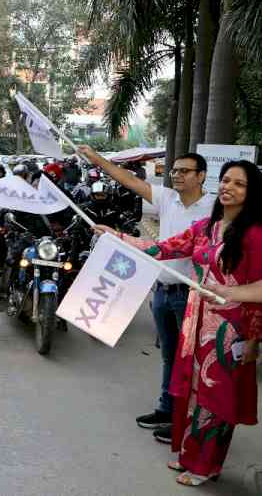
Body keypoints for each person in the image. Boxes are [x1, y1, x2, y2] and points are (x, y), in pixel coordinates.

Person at [94, 159, 262, 487]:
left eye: (240, 184)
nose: (229, 187)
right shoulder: (205, 228)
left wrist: (230, 293)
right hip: (194, 322)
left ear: (252, 192)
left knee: (217, 399)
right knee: (193, 395)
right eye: (226, 180)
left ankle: (206, 466)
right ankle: (192, 457)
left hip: (230, 332)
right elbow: (162, 248)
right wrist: (116, 236)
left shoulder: (255, 234)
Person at [79, 145, 215, 445]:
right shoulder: (167, 199)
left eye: (185, 171)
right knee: (168, 355)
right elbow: (128, 180)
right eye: (175, 170)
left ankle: (185, 420)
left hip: (191, 295)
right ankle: (167, 409)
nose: (177, 175)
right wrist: (97, 159)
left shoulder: (212, 209)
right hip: (163, 291)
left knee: (188, 360)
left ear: (201, 176)